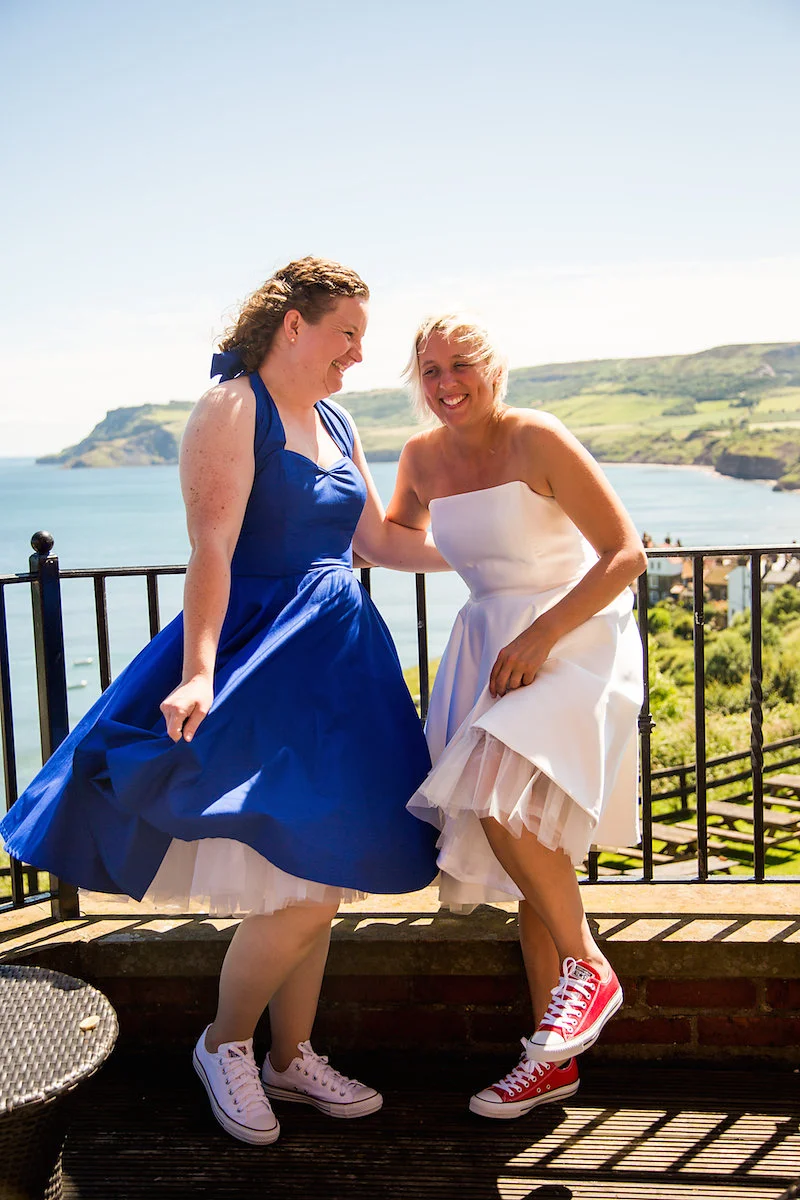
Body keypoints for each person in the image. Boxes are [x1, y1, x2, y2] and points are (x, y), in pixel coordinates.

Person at [1, 258, 446, 1146]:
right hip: (262, 653)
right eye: (347, 333)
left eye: (362, 337)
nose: (359, 354)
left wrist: (509, 559)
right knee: (302, 890)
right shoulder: (232, 406)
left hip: (341, 661)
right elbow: (211, 548)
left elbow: (378, 542)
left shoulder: (336, 417)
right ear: (294, 325)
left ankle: (290, 1058)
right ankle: (224, 1044)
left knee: (324, 870)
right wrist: (199, 671)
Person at [387, 313, 646, 1120]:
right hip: (486, 645)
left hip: (573, 638)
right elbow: (395, 539)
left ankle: (588, 967)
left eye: (460, 364)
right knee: (533, 856)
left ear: (494, 371)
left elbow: (625, 553)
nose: (445, 383)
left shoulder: (538, 437)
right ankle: (551, 1060)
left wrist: (539, 631)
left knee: (491, 787)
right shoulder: (420, 458)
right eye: (428, 370)